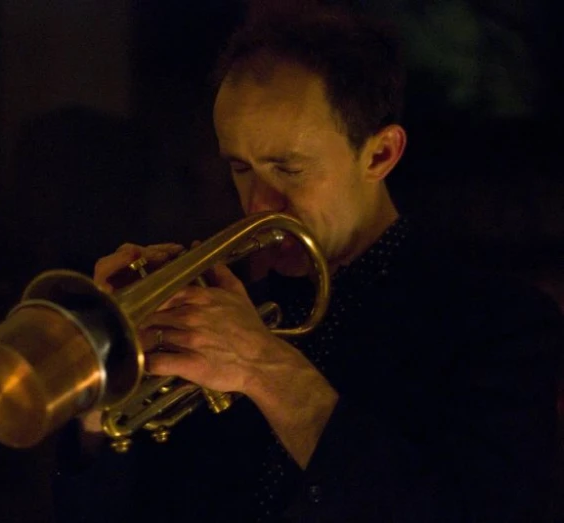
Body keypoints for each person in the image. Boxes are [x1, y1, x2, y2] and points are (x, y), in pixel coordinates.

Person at [52, 7, 562, 523]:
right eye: (240, 168)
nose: (259, 205)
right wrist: (102, 391)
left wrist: (267, 370)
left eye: (289, 169)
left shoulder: (501, 325)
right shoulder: (220, 319)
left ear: (381, 154)